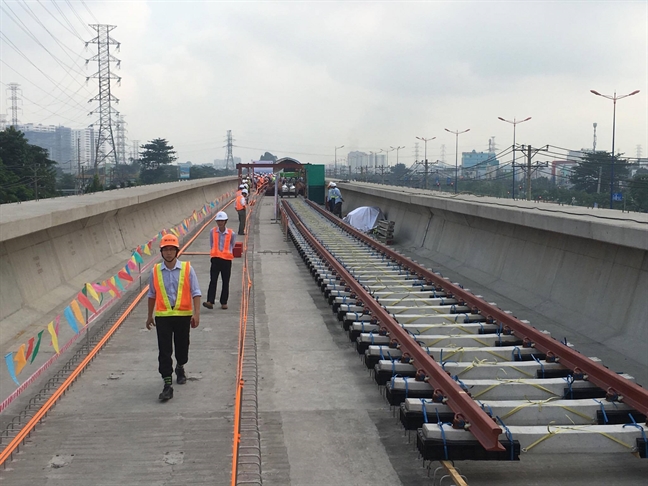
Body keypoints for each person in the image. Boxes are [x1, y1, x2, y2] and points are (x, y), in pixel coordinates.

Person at [146, 234, 201, 401]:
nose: (168, 253)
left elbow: (196, 292)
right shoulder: (155, 271)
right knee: (164, 350)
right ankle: (167, 384)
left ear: (177, 251)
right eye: (165, 250)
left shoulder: (187, 269)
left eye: (171, 249)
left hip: (183, 315)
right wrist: (149, 315)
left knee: (182, 347)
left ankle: (180, 366)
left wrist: (196, 313)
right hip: (163, 317)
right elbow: (152, 294)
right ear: (161, 252)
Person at [203, 211, 236, 311]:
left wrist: (226, 253)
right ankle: (210, 301)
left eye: (222, 221)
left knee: (226, 281)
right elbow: (211, 243)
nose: (220, 223)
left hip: (226, 260)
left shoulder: (231, 233)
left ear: (225, 221)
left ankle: (224, 302)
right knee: (213, 280)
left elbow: (232, 245)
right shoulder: (212, 231)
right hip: (215, 259)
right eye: (218, 221)